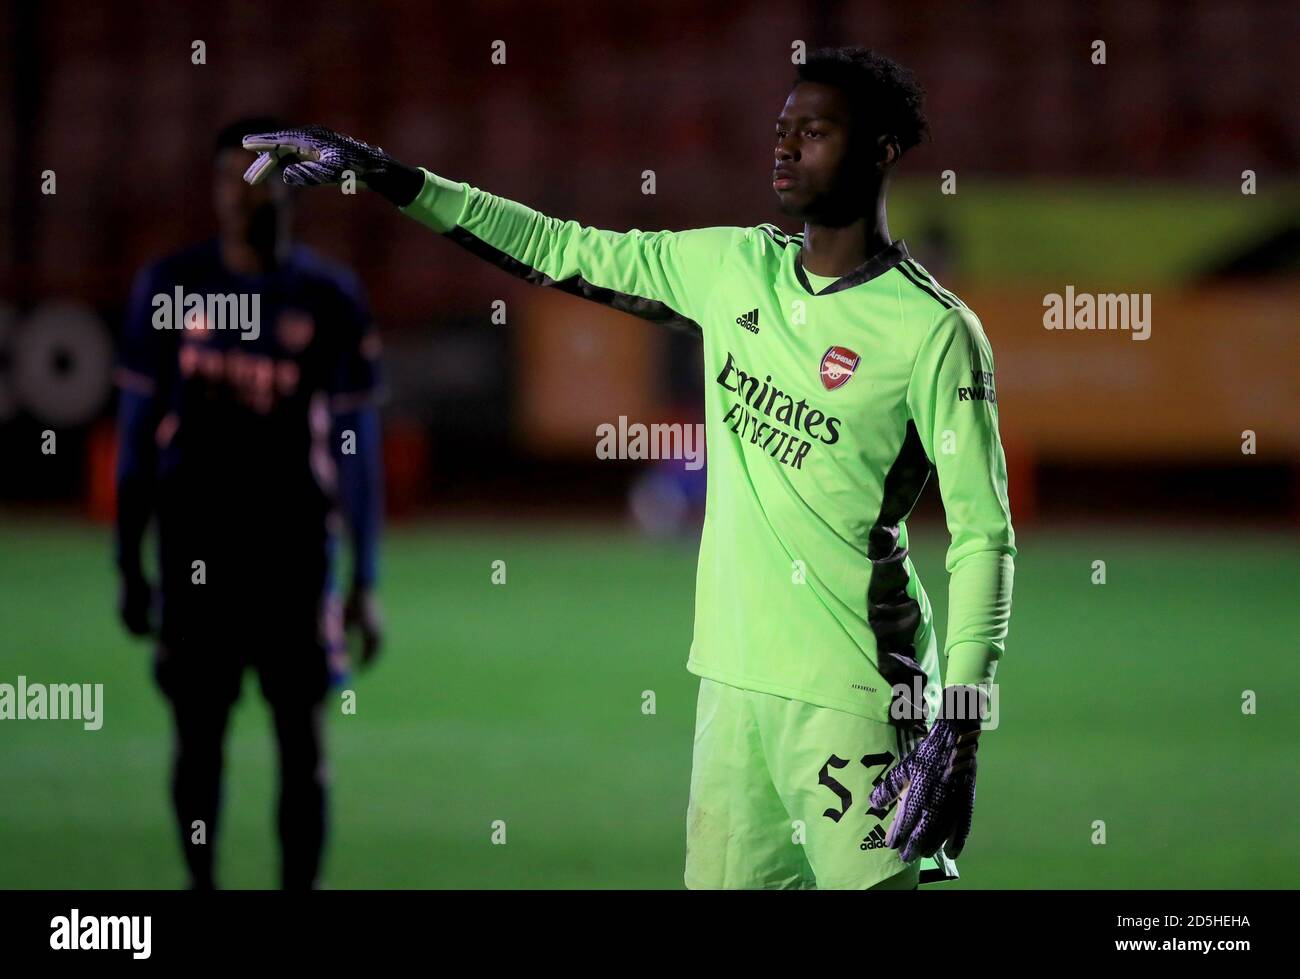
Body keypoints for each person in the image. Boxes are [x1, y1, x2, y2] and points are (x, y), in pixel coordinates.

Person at [244, 46, 1015, 890]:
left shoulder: (933, 330)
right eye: (781, 130)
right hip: (730, 684)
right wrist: (395, 178)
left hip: (861, 692)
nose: (785, 149)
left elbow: (984, 534)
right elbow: (555, 246)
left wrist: (963, 718)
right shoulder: (731, 268)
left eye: (816, 132)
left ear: (878, 150)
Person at [114, 117, 385, 890]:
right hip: (194, 551)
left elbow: (357, 449)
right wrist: (128, 562)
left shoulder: (329, 297)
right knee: (196, 737)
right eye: (227, 176)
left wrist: (365, 581)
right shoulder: (169, 287)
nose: (240, 195)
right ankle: (202, 885)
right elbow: (136, 436)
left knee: (302, 740)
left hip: (295, 552)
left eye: (258, 176)